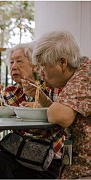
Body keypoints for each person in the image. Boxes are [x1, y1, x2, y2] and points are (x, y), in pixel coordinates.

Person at [0, 42, 64, 179]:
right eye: (11, 62)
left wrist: (41, 101)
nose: (13, 66)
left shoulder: (52, 87)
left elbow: (63, 118)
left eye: (19, 61)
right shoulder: (10, 92)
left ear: (35, 66)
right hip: (18, 153)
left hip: (47, 157)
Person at [30, 30, 91, 179]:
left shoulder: (85, 75)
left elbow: (59, 115)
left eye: (43, 65)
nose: (41, 73)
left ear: (62, 62)